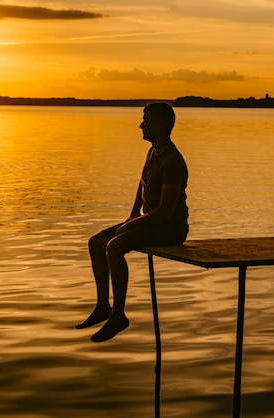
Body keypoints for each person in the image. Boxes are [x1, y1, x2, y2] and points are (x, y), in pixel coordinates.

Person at [76, 102, 189, 343]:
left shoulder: (173, 162)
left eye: (146, 121)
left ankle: (118, 315)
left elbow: (165, 212)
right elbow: (143, 183)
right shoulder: (153, 153)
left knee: (114, 247)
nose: (141, 125)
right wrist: (132, 214)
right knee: (97, 242)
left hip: (170, 229)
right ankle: (102, 306)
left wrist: (132, 225)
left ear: (159, 126)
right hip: (150, 222)